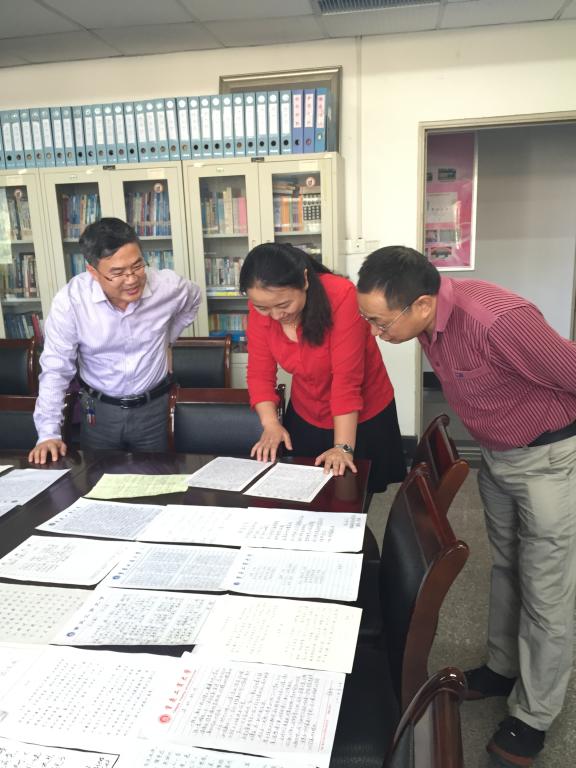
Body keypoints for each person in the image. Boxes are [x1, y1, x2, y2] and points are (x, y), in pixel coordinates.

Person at [356, 245, 576, 767]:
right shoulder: (426, 322)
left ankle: (534, 715)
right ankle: (502, 668)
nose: (376, 333)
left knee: (547, 588)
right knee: (507, 567)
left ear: (422, 304)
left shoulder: (498, 321)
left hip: (549, 459)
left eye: (381, 322)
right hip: (497, 456)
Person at [29, 217, 202, 464]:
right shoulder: (71, 302)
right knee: (98, 479)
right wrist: (48, 434)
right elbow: (56, 370)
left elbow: (193, 299)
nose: (132, 279)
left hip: (154, 409)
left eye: (137, 265)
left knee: (159, 478)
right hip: (99, 413)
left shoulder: (168, 286)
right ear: (93, 271)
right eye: (118, 273)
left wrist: (166, 338)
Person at [239, 242, 406, 494]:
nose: (275, 315)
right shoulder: (260, 307)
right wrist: (270, 423)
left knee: (351, 495)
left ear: (304, 280)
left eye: (284, 305)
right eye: (263, 308)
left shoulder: (342, 296)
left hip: (360, 415)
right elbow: (259, 373)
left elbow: (346, 381)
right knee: (304, 493)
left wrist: (343, 448)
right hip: (307, 410)